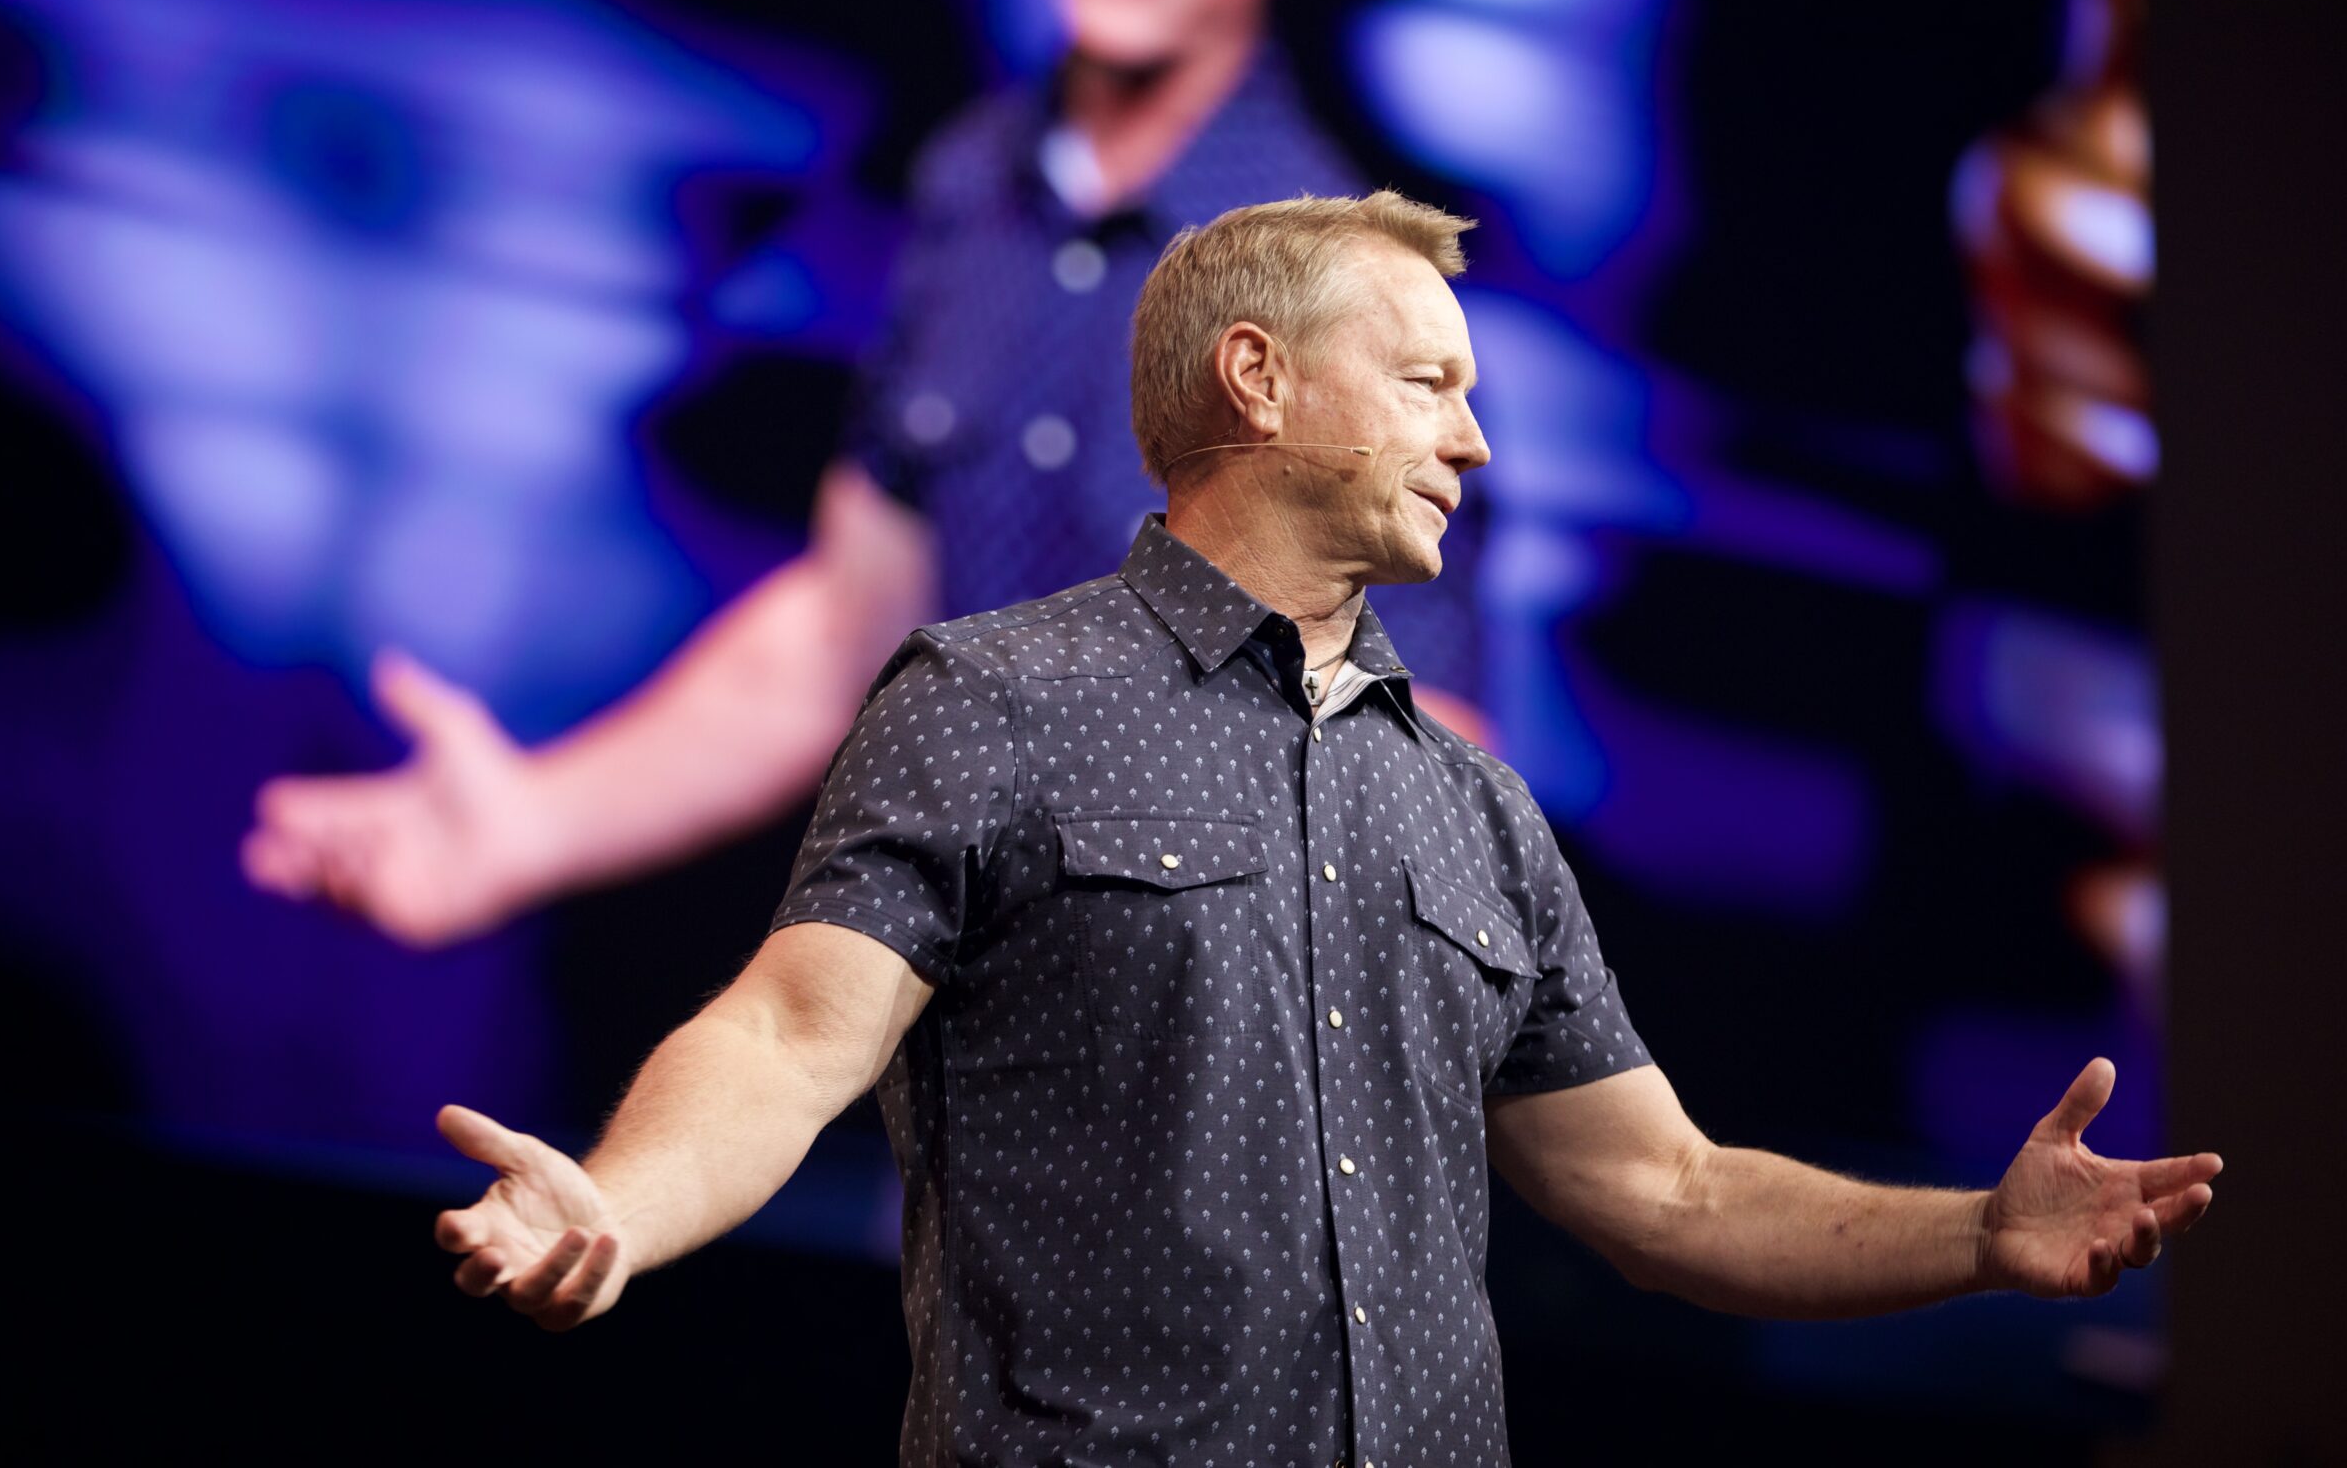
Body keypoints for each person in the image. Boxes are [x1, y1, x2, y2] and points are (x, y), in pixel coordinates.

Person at [431, 192, 2222, 1464]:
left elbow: (1668, 1189)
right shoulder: (997, 699)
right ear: (1260, 378)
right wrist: (620, 1206)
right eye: (1430, 383)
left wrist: (1979, 1234)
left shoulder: (1472, 806)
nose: (1478, 443)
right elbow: (788, 1033)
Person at [239, 0, 1485, 948]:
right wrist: (531, 824)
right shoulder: (972, 195)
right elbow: (847, 628)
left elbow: (1427, 766)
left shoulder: (1350, 288)